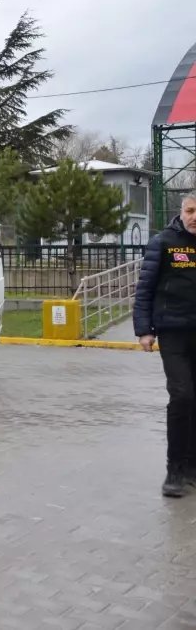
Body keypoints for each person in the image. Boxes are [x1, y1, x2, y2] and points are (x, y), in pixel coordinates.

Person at [134, 193, 196, 498]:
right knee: (182, 396)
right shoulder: (164, 243)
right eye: (190, 210)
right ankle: (175, 469)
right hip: (173, 333)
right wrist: (144, 330)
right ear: (181, 212)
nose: (195, 217)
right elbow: (145, 288)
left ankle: (192, 467)